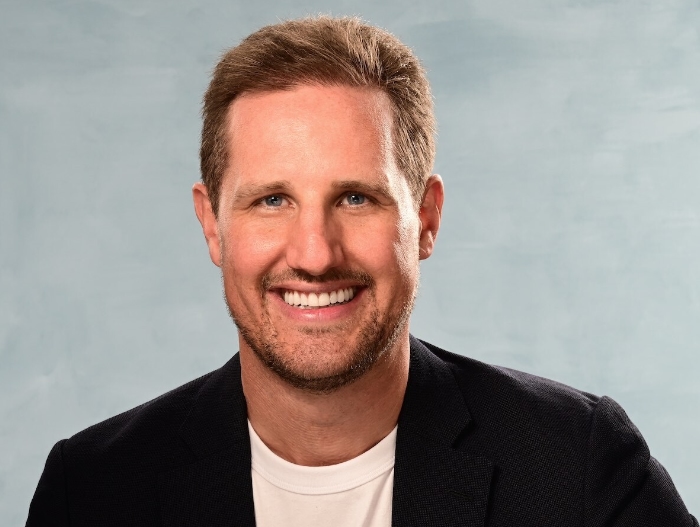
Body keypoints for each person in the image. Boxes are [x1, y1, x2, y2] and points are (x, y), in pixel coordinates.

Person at [27, 16, 696, 527]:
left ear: (426, 218)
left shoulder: (576, 470)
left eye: (356, 197)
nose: (315, 253)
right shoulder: (93, 490)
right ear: (212, 224)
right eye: (271, 200)